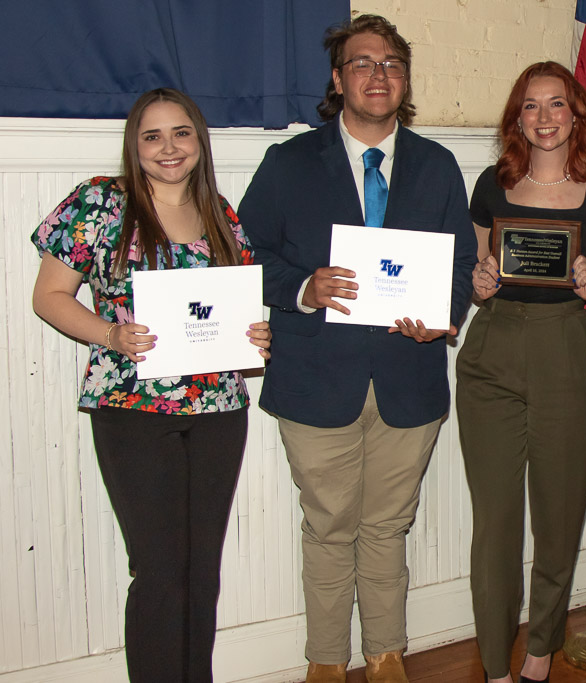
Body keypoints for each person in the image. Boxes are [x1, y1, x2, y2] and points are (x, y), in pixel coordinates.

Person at [236, 14, 475, 683]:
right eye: (363, 63)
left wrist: (443, 315)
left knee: (387, 524)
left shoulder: (437, 165)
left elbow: (460, 266)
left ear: (405, 78)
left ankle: (387, 651)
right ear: (338, 79)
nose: (379, 75)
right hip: (315, 375)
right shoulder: (289, 163)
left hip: (410, 378)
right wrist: (304, 288)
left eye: (392, 63)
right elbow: (243, 252)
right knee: (330, 524)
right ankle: (325, 659)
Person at [30, 88, 271, 683]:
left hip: (218, 406)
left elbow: (229, 307)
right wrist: (110, 335)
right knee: (161, 571)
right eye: (153, 135)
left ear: (200, 141)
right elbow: (49, 298)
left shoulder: (220, 210)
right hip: (133, 406)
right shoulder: (100, 203)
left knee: (201, 569)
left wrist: (255, 334)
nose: (169, 148)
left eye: (182, 133)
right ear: (134, 145)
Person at [456, 61, 586, 683]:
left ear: (578, 115)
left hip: (568, 355)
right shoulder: (490, 186)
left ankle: (538, 655)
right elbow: (478, 276)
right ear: (517, 118)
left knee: (558, 520)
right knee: (495, 524)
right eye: (532, 106)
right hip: (492, 353)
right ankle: (495, 665)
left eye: (558, 105)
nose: (545, 118)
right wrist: (478, 284)